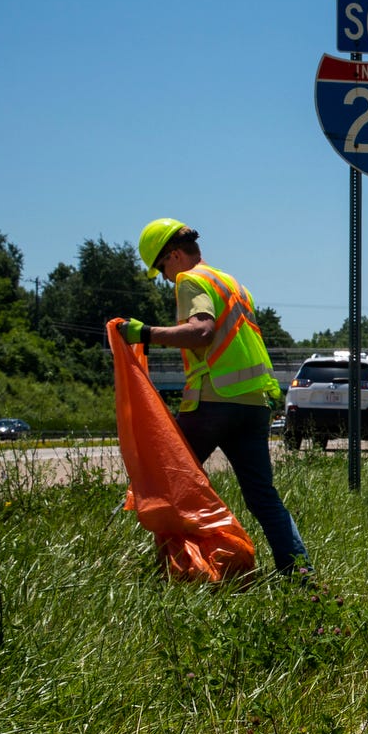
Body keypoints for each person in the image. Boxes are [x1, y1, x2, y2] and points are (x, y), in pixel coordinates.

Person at [125, 218, 308, 575]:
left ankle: (176, 569)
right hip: (253, 404)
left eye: (162, 267)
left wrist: (144, 333)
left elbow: (202, 331)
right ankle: (301, 576)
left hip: (213, 403)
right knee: (263, 498)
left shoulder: (189, 279)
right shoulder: (233, 283)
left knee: (169, 486)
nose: (165, 277)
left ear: (175, 256)